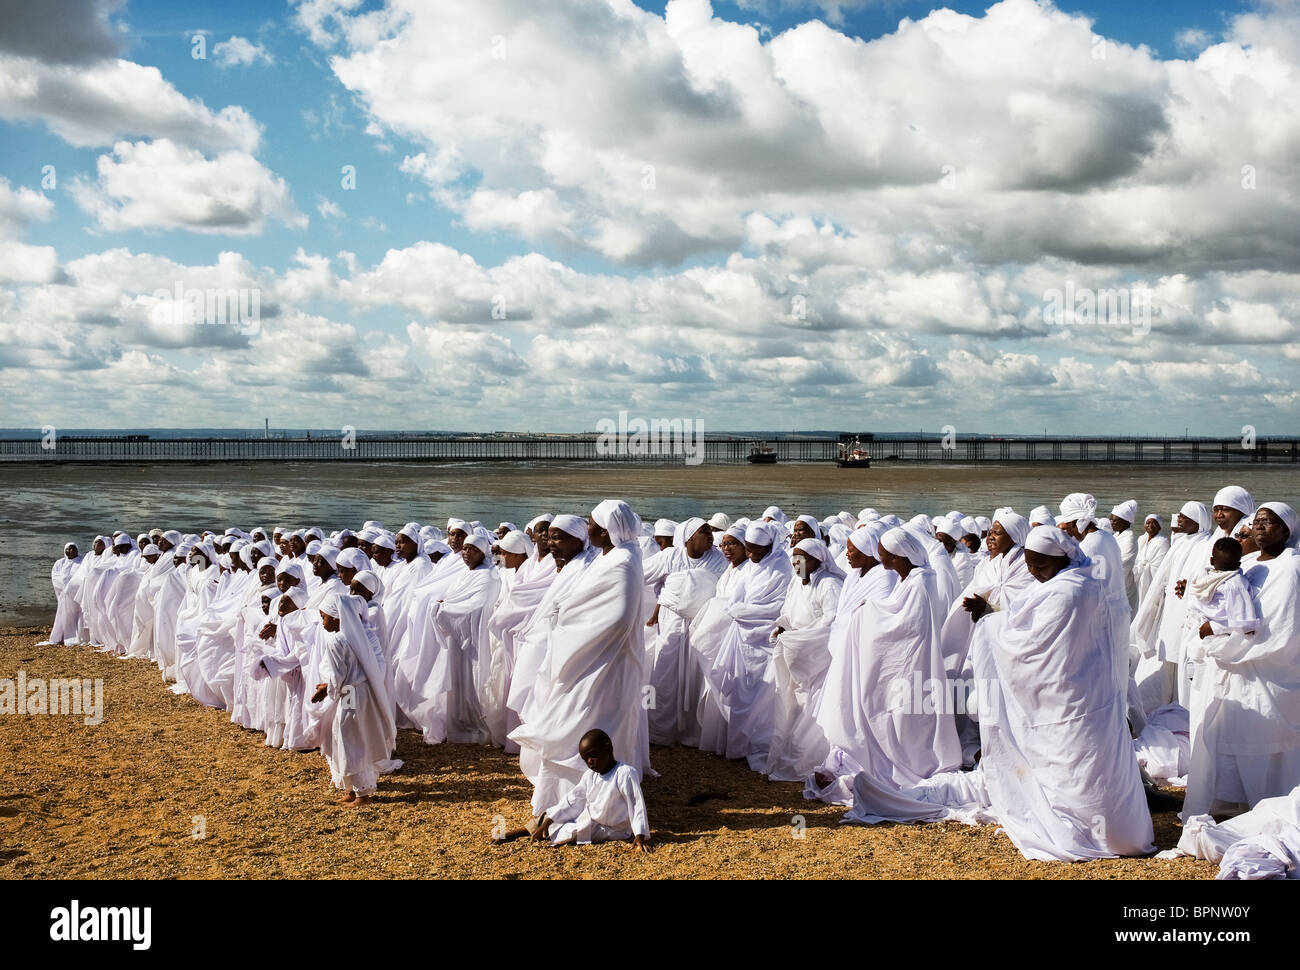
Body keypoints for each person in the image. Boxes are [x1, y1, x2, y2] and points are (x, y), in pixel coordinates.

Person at [840, 526, 1155, 862]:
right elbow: (1032, 632)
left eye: (1040, 565)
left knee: (1079, 767)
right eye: (1030, 564)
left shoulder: (1071, 592)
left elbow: (1033, 644)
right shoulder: (1072, 584)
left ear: (1060, 559)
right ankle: (1104, 829)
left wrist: (990, 623)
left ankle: (1092, 828)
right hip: (1067, 700)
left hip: (1073, 702)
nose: (1033, 571)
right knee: (1064, 768)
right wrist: (996, 619)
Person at [510, 500, 650, 819]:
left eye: (590, 522)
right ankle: (563, 797)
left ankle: (602, 805)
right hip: (591, 657)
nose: (587, 528)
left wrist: (567, 627)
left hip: (606, 662)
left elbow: (617, 617)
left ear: (605, 530)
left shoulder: (624, 562)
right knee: (574, 719)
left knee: (591, 723)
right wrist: (568, 618)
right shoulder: (612, 556)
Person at [1183, 502, 1300, 818]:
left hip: (1266, 671)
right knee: (1230, 738)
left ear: (1287, 530)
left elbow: (1281, 629)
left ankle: (1271, 808)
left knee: (1266, 742)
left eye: (1270, 522)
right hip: (1233, 668)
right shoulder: (1246, 563)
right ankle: (1234, 806)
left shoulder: (1291, 568)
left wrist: (1221, 643)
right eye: (1258, 520)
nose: (1260, 526)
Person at [493, 729, 650, 851]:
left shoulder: (625, 773)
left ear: (608, 748)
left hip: (611, 829)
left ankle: (524, 833)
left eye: (593, 755)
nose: (590, 762)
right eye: (585, 759)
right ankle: (524, 831)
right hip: (590, 818)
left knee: (569, 829)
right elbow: (573, 799)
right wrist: (548, 820)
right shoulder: (590, 775)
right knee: (551, 815)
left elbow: (636, 805)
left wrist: (639, 836)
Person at [311, 594, 396, 808]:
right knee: (358, 736)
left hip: (350, 694)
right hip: (366, 692)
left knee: (350, 739)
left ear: (337, 617)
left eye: (324, 617)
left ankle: (362, 793)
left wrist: (326, 689)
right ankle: (352, 787)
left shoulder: (337, 640)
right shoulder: (366, 635)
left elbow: (338, 676)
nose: (323, 623)